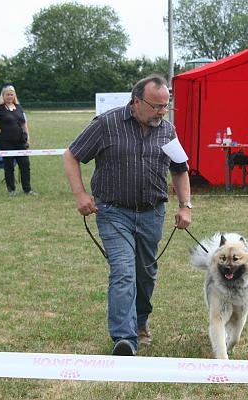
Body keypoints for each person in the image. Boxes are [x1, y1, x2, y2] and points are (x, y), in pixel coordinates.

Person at [63, 75, 192, 356]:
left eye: (166, 106)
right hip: (113, 212)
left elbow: (180, 170)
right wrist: (80, 195)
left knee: (146, 274)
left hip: (152, 213)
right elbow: (71, 155)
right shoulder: (107, 124)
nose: (162, 112)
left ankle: (141, 321)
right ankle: (124, 338)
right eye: (156, 106)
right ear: (136, 101)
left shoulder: (167, 131)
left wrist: (185, 206)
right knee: (123, 272)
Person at [0, 84, 36, 196]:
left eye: (12, 94)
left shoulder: (19, 107)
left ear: (14, 95)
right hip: (6, 142)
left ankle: (27, 189)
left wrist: (28, 138)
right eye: (7, 94)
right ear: (3, 95)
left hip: (21, 141)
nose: (10, 96)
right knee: (9, 166)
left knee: (25, 165)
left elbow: (24, 123)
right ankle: (11, 190)